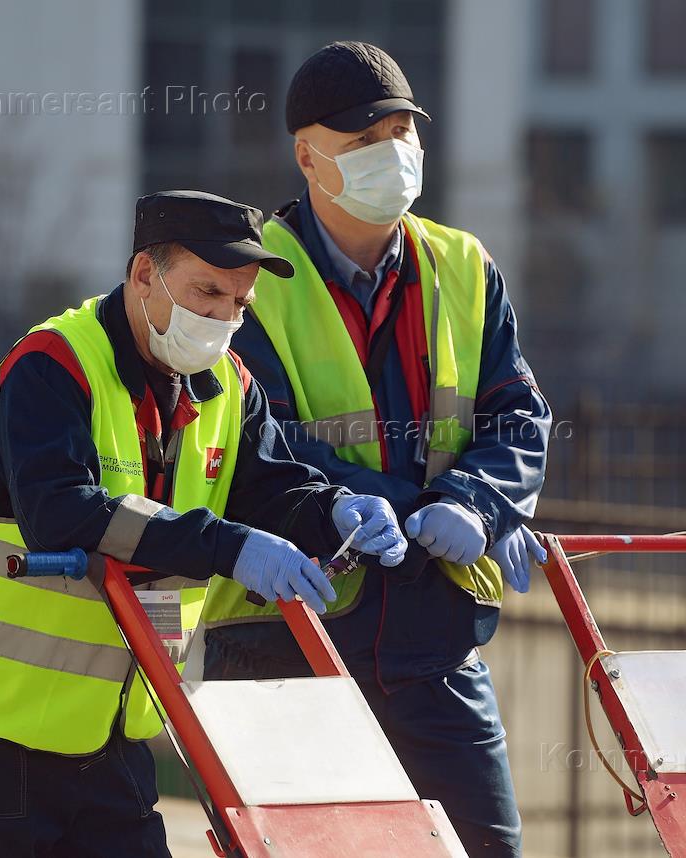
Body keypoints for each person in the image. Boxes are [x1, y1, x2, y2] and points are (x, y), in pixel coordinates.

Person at [0, 190, 409, 858]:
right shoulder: (52, 364)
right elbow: (61, 513)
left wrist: (334, 510)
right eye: (207, 292)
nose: (223, 318)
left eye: (240, 304)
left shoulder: (228, 385)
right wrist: (228, 546)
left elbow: (270, 487)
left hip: (102, 732)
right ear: (144, 275)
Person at [198, 42, 551, 856]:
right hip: (286, 638)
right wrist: (420, 508)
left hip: (434, 641)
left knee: (484, 848)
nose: (390, 153)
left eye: (400, 132)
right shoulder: (248, 276)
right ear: (306, 157)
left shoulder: (463, 266)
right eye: (362, 140)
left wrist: (479, 504)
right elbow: (262, 447)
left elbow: (518, 415)